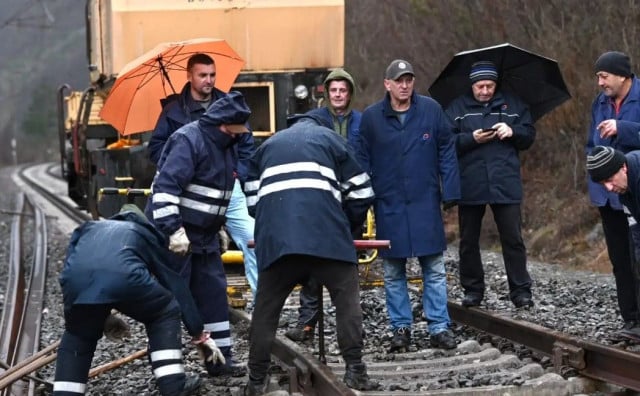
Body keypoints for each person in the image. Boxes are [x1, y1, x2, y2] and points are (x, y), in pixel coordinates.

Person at [242, 114, 378, 394]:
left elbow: (252, 203)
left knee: (265, 310)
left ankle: (256, 381)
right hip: (327, 239)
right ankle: (355, 370)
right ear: (320, 125)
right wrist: (346, 227)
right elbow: (363, 192)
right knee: (346, 298)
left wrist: (279, 223)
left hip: (278, 244)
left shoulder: (266, 147)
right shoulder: (332, 140)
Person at [53, 204, 225, 396]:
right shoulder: (143, 232)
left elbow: (72, 272)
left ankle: (64, 393)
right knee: (165, 311)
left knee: (78, 335)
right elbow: (173, 282)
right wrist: (198, 332)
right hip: (126, 278)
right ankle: (173, 386)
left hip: (78, 285)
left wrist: (98, 315)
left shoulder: (87, 228)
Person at [356, 59, 460, 352]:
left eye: (409, 80)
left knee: (434, 267)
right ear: (387, 84)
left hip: (425, 200)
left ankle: (439, 327)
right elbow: (361, 159)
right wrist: (363, 198)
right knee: (393, 270)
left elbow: (446, 150)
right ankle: (400, 327)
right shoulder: (372, 118)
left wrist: (450, 190)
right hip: (389, 202)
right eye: (399, 80)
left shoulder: (431, 110)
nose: (404, 85)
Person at [145, 92, 250, 377]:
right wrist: (174, 231)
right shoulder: (188, 140)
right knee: (172, 301)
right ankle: (167, 371)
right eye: (235, 129)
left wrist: (219, 227)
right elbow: (165, 189)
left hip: (205, 236)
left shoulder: (228, 144)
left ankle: (220, 360)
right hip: (176, 236)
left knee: (214, 295)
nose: (239, 135)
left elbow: (218, 191)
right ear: (221, 124)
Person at [148, 53, 259, 296]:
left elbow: (247, 146)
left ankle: (261, 301)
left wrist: (236, 173)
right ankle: (186, 308)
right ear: (189, 76)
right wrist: (178, 161)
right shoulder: (172, 111)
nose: (208, 80)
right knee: (184, 253)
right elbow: (155, 148)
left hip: (230, 189)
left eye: (212, 75)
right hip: (191, 194)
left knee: (252, 237)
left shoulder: (230, 106)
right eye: (202, 75)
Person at [444, 60, 536, 309]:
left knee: (513, 239)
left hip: (505, 182)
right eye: (480, 86)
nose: (485, 91)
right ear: (472, 85)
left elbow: (529, 136)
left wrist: (513, 131)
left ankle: (521, 292)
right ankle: (473, 290)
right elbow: (445, 142)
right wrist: (470, 138)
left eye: (490, 86)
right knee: (468, 241)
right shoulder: (457, 108)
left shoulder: (514, 105)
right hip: (470, 182)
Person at [284, 68, 362, 344]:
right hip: (321, 201)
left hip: (350, 202)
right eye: (334, 90)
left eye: (343, 90)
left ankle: (352, 329)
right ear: (327, 94)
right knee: (312, 264)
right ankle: (307, 322)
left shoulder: (362, 123)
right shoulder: (314, 121)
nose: (338, 95)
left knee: (347, 268)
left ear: (350, 93)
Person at [586, 51, 640, 332]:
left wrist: (623, 128)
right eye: (598, 76)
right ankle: (630, 318)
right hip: (607, 195)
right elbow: (590, 144)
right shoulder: (600, 103)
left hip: (635, 189)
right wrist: (595, 180)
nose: (600, 82)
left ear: (622, 75)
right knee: (620, 259)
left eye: (604, 76)